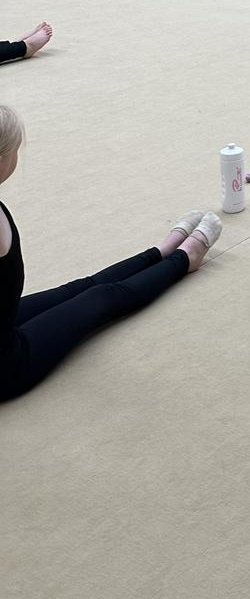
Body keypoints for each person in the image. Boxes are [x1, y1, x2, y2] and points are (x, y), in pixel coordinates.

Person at [0, 104, 223, 400]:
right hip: (7, 366)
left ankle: (160, 252)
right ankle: (185, 259)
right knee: (101, 297)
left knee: (78, 289)